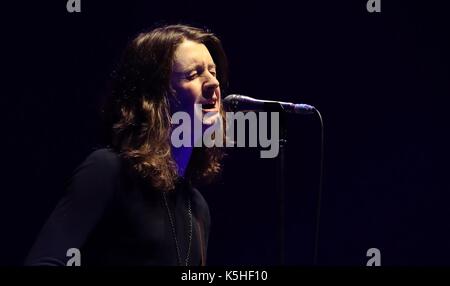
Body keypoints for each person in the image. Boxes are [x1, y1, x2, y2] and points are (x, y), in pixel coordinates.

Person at [25, 24, 228, 266]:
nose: (213, 83)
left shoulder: (197, 208)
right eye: (193, 75)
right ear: (154, 96)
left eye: (213, 72)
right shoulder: (108, 170)